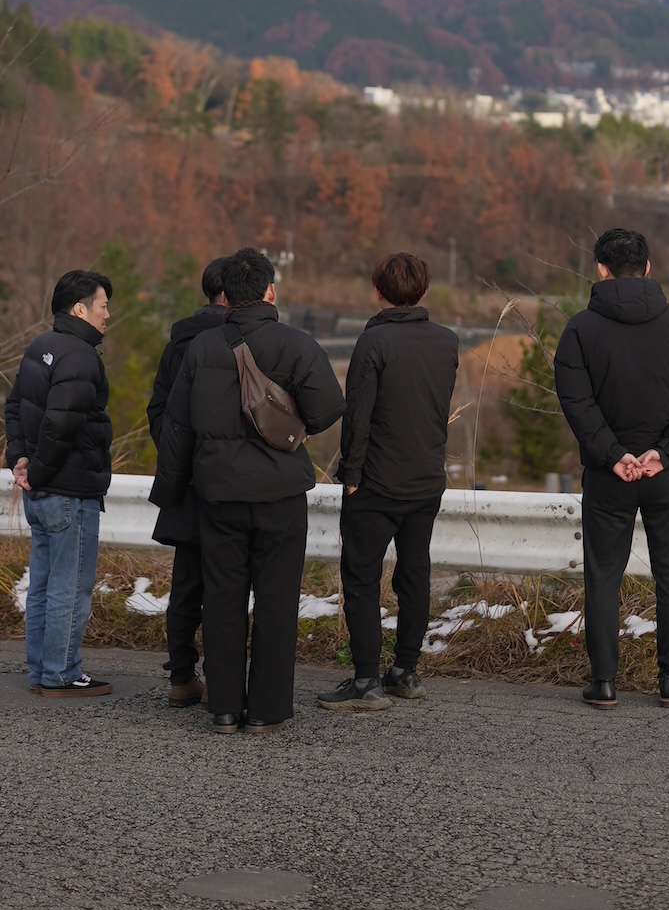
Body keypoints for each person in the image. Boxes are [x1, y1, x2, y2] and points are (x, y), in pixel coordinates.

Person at [151, 247, 345, 733]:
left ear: (225, 295)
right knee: (277, 601)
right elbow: (326, 411)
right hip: (279, 495)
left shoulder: (200, 348)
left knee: (222, 599)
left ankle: (223, 707)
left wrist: (171, 491)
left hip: (217, 494)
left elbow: (176, 427)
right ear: (269, 291)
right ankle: (266, 710)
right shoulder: (297, 345)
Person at [554, 228, 669, 710]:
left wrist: (613, 454)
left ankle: (603, 682)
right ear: (648, 269)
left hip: (609, 477)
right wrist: (665, 453)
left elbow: (576, 402)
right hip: (665, 475)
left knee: (603, 576)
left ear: (600, 270)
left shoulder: (580, 329)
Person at [319, 252, 460, 713]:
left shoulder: (373, 342)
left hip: (377, 481)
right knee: (414, 573)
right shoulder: (446, 341)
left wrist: (351, 475)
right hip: (426, 479)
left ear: (378, 292)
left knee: (361, 578)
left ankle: (365, 681)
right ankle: (406, 671)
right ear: (423, 292)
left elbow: (357, 416)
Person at [4, 269, 115, 699]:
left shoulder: (41, 346)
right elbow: (61, 425)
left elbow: (14, 406)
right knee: (70, 587)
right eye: (103, 305)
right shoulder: (81, 356)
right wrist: (40, 471)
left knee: (44, 586)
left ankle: (42, 670)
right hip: (68, 492)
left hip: (41, 491)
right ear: (80, 308)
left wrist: (21, 461)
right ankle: (63, 674)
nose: (108, 315)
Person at [146, 256, 228, 707]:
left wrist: (180, 461)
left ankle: (181, 676)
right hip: (227, 481)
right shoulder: (236, 340)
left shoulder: (178, 340)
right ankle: (220, 676)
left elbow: (158, 411)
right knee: (226, 582)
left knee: (186, 582)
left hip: (185, 480)